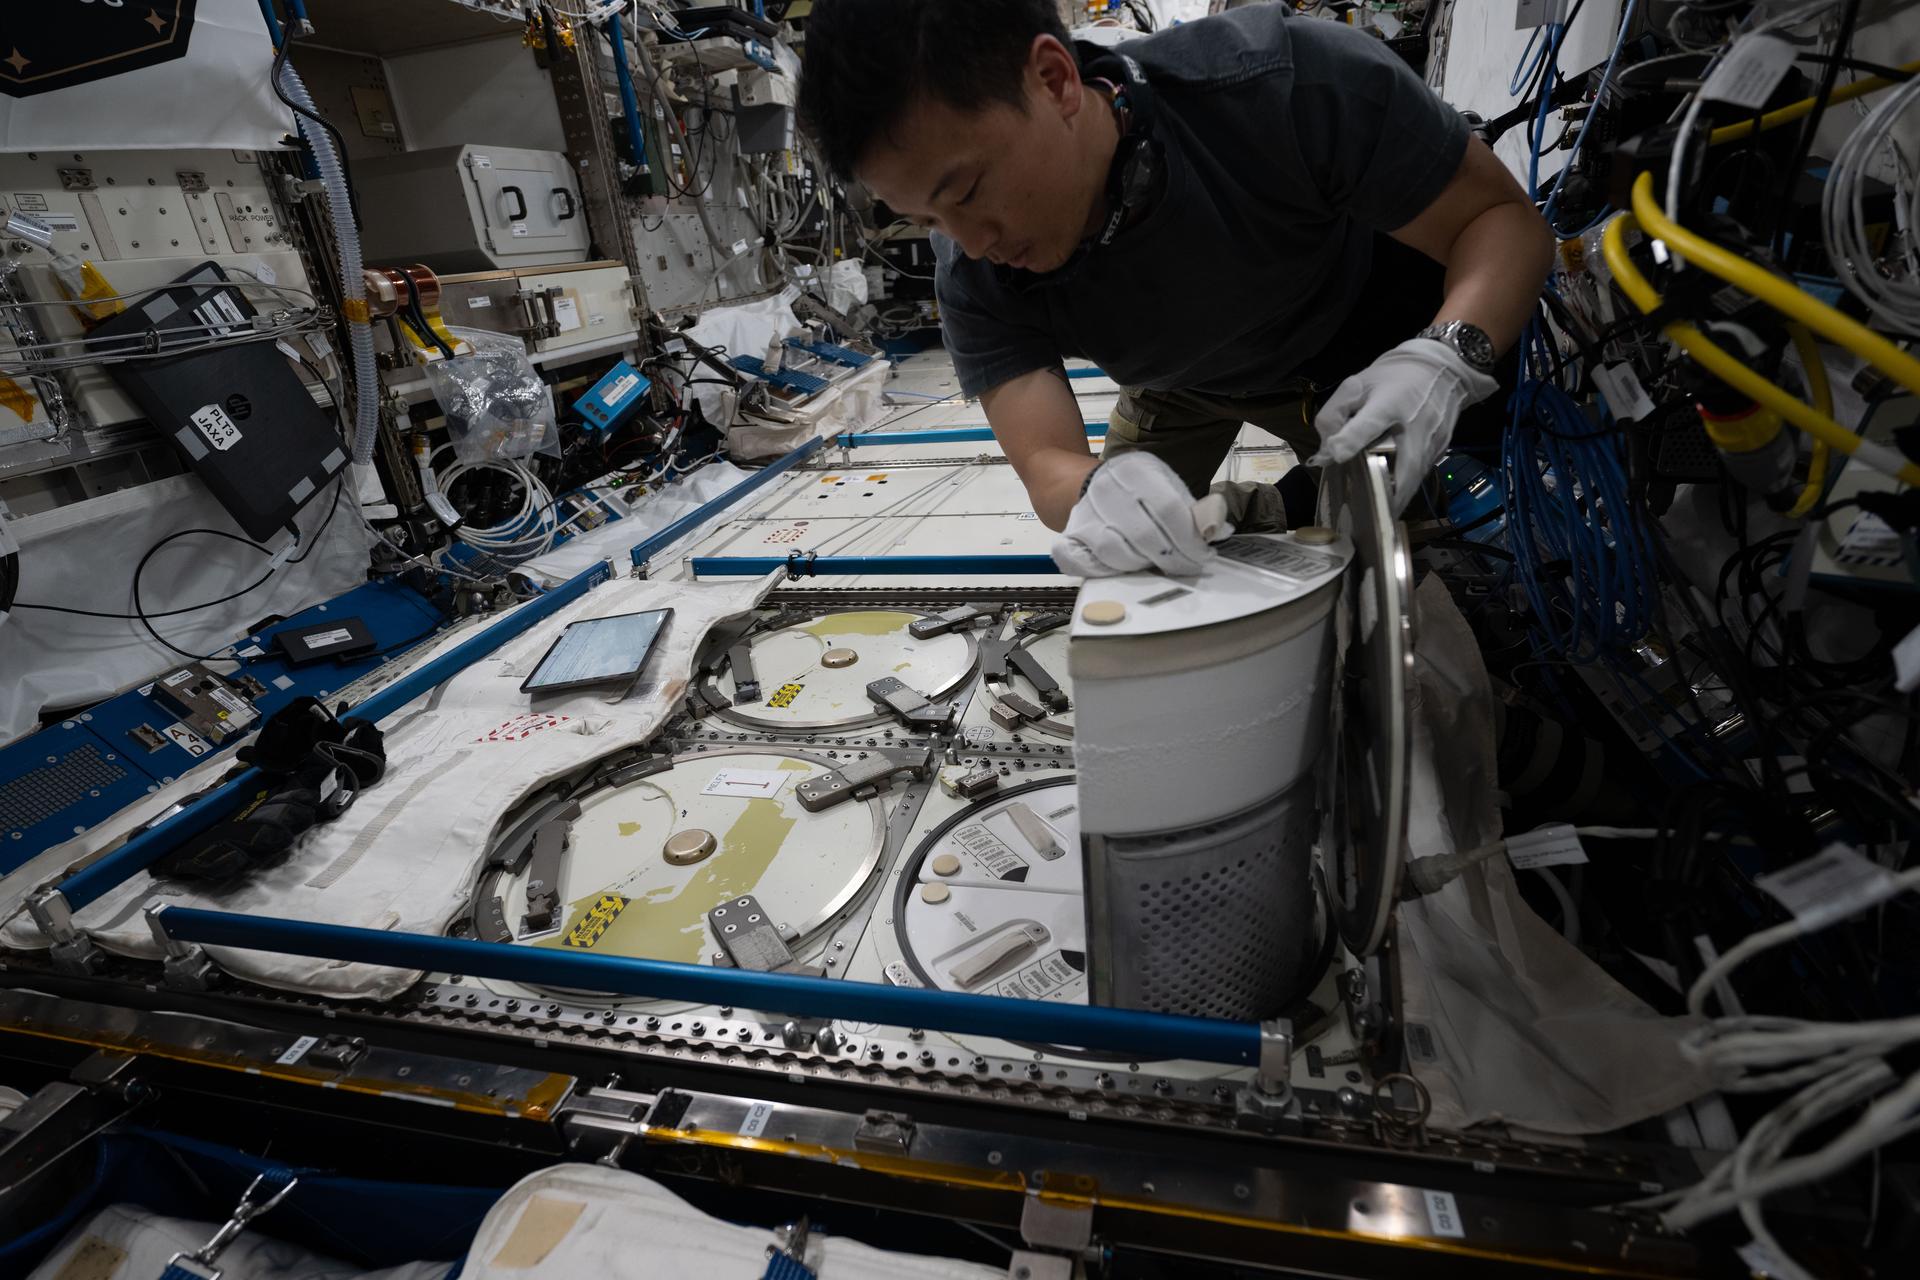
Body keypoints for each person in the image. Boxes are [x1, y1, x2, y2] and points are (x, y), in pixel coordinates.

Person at [798, 0, 1554, 576]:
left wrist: (1447, 359)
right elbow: (1048, 467)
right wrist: (1099, 489)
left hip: (1358, 342)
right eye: (925, 216)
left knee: (1428, 557)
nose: (970, 242)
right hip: (1176, 384)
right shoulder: (972, 268)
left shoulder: (1283, 83)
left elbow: (1503, 222)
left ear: (1055, 79)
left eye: (964, 191)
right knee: (1133, 558)